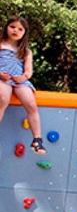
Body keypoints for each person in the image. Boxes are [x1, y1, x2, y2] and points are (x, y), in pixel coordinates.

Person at [0, 16, 45, 154]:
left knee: (31, 103)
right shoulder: (1, 44)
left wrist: (23, 77)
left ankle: (37, 139)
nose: (15, 30)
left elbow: (28, 71)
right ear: (6, 28)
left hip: (19, 80)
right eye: (12, 27)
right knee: (3, 99)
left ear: (24, 33)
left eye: (20, 29)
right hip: (3, 78)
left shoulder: (26, 51)